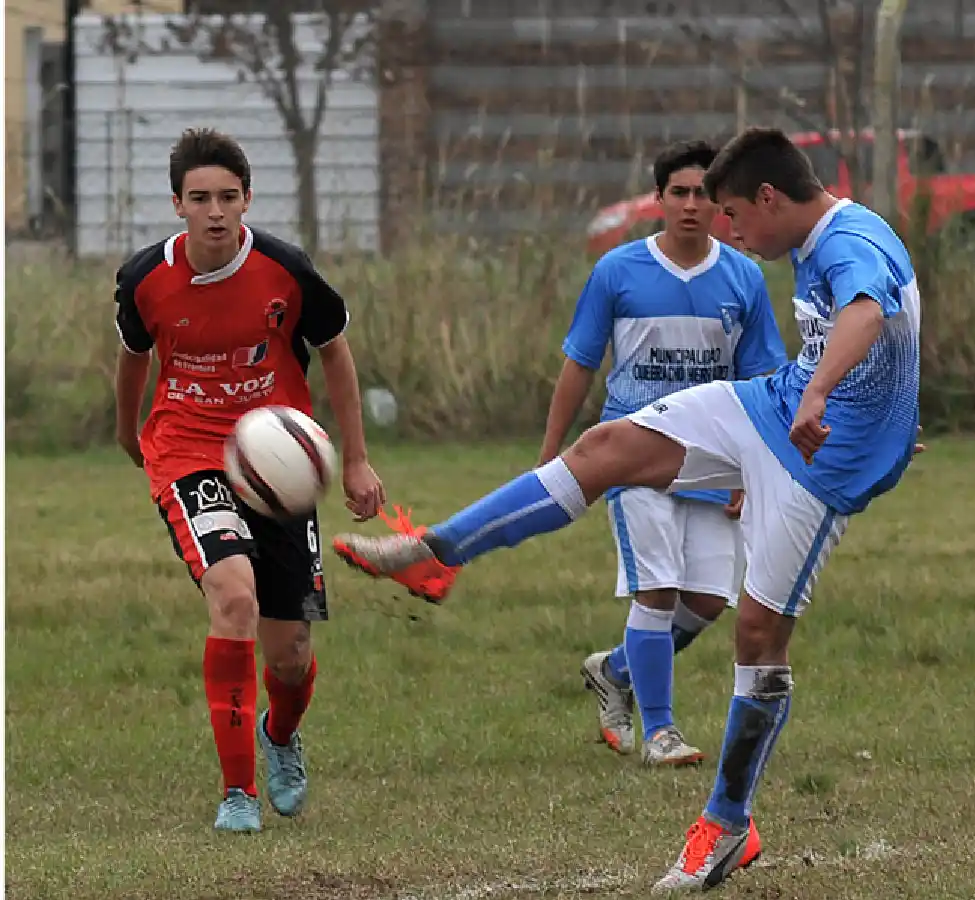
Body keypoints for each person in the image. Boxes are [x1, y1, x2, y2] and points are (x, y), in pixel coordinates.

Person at [331, 126, 923, 892]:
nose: (727, 231)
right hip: (771, 410)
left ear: (769, 198)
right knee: (605, 446)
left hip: (818, 465)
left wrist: (826, 398)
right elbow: (891, 337)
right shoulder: (829, 233)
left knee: (755, 632)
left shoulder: (846, 243)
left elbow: (870, 312)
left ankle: (727, 826)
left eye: (735, 215)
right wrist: (864, 404)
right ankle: (434, 553)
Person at [113, 127, 385, 834]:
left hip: (278, 466)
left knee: (291, 656)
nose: (214, 211)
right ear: (177, 204)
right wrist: (126, 426)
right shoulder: (145, 279)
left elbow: (335, 354)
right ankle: (238, 794)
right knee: (232, 594)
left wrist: (353, 459)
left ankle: (280, 737)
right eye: (199, 198)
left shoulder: (286, 271)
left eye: (227, 197)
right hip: (190, 453)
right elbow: (134, 355)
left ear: (247, 200)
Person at [537, 139, 788, 767]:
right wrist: (551, 458)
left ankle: (614, 669)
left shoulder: (744, 276)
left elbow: (763, 380)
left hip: (711, 458)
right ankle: (660, 732)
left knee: (705, 601)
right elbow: (580, 365)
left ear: (721, 204)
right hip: (633, 452)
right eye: (679, 192)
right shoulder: (617, 272)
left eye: (704, 193)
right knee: (657, 586)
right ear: (658, 199)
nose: (691, 204)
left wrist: (755, 470)